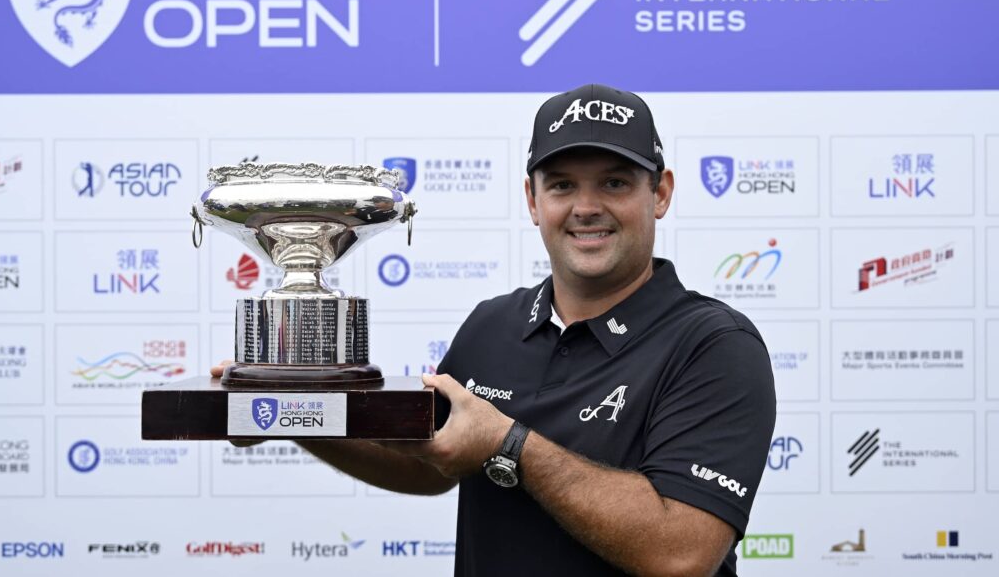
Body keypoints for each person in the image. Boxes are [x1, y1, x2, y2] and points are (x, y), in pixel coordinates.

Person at [213, 84, 776, 576]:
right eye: (560, 186)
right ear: (532, 200)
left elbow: (681, 553)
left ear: (660, 194)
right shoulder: (493, 323)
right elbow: (431, 463)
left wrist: (510, 444)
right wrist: (292, 414)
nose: (585, 207)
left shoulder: (715, 344)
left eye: (613, 183)